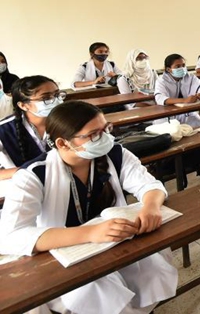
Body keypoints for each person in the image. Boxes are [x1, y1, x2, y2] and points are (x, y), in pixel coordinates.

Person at [0, 101, 177, 314]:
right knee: (97, 291)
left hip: (112, 243)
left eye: (105, 129)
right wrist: (91, 233)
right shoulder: (33, 176)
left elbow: (150, 185)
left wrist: (150, 206)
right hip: (63, 254)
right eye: (93, 134)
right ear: (63, 144)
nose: (104, 138)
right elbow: (11, 236)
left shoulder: (115, 155)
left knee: (153, 268)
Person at [0, 76, 64, 180]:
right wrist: (29, 171)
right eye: (46, 98)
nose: (55, 100)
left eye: (57, 95)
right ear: (23, 105)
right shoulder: (4, 129)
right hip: (25, 184)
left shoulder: (68, 121)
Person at [154, 54, 200, 128]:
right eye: (177, 66)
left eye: (183, 65)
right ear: (168, 69)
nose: (182, 68)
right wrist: (184, 100)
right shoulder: (162, 80)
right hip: (168, 114)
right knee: (172, 133)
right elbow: (160, 98)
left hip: (188, 112)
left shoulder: (190, 77)